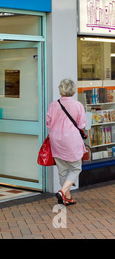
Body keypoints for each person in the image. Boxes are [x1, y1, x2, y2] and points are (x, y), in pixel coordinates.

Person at [46, 78, 87, 206]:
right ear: (73, 90)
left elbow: (48, 123)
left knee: (62, 169)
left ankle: (67, 198)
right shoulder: (78, 105)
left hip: (56, 139)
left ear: (61, 90)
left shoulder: (54, 104)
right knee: (76, 167)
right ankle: (63, 191)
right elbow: (81, 124)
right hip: (71, 139)